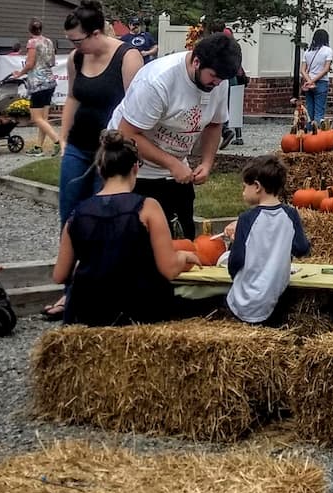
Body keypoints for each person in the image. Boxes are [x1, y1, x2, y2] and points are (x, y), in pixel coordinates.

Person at [44, 3, 143, 319]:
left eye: (78, 40)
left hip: (110, 151)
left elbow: (135, 106)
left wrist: (126, 149)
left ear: (97, 32)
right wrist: (63, 138)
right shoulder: (77, 58)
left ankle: (103, 291)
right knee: (71, 216)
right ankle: (69, 293)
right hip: (78, 146)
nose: (74, 47)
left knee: (108, 218)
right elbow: (73, 96)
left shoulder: (127, 57)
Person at [53, 132, 201, 327]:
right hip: (139, 312)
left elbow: (59, 275)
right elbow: (169, 269)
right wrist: (184, 256)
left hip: (89, 313)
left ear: (100, 169)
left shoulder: (78, 214)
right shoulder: (148, 207)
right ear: (135, 168)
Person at [109, 31, 243, 239]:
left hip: (176, 166)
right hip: (135, 168)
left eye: (222, 80)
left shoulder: (219, 80)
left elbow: (214, 126)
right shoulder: (157, 81)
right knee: (143, 242)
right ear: (196, 61)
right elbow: (126, 133)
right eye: (214, 77)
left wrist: (206, 163)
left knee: (183, 235)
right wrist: (172, 164)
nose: (217, 84)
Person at [219, 157, 311, 325]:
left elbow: (237, 259)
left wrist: (234, 272)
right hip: (276, 298)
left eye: (244, 187)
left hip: (244, 299)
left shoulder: (246, 219)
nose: (243, 192)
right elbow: (302, 249)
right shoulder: (290, 215)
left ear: (257, 187)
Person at [15, 18, 59, 155]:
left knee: (36, 118)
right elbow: (52, 61)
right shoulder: (48, 41)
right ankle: (38, 147)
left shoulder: (32, 43)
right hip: (50, 81)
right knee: (44, 119)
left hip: (37, 82)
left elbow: (29, 63)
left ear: (29, 30)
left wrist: (19, 73)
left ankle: (58, 141)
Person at [298, 29, 333, 128]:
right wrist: (313, 81)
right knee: (319, 112)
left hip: (308, 84)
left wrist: (309, 81)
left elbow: (302, 70)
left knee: (311, 112)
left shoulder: (308, 51)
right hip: (321, 82)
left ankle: (308, 135)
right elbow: (325, 69)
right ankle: (316, 136)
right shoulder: (328, 50)